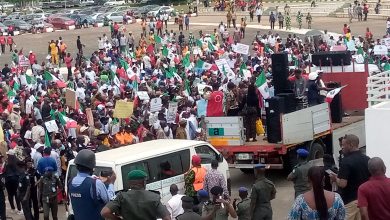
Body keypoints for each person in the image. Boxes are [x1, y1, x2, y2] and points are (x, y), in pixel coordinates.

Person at [100, 170, 170, 220]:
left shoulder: (120, 196)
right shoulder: (154, 197)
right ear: (143, 182)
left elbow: (104, 212)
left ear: (129, 183)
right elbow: (167, 218)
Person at [330, 134, 370, 220]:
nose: (342, 148)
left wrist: (335, 179)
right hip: (364, 201)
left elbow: (343, 184)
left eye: (343, 145)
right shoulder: (367, 159)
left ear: (351, 145)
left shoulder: (346, 161)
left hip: (350, 201)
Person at [68, 149, 110, 220]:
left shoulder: (71, 182)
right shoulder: (96, 183)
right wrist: (110, 183)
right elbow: (108, 201)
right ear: (92, 168)